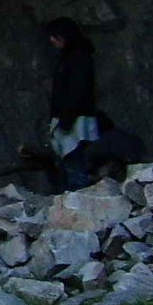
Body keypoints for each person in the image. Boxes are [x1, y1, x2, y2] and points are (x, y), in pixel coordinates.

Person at [43, 17, 100, 190]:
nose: (51, 40)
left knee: (76, 166)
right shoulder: (70, 57)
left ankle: (79, 199)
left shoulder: (77, 58)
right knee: (73, 165)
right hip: (72, 118)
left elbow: (78, 89)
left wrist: (66, 118)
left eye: (55, 36)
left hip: (76, 121)